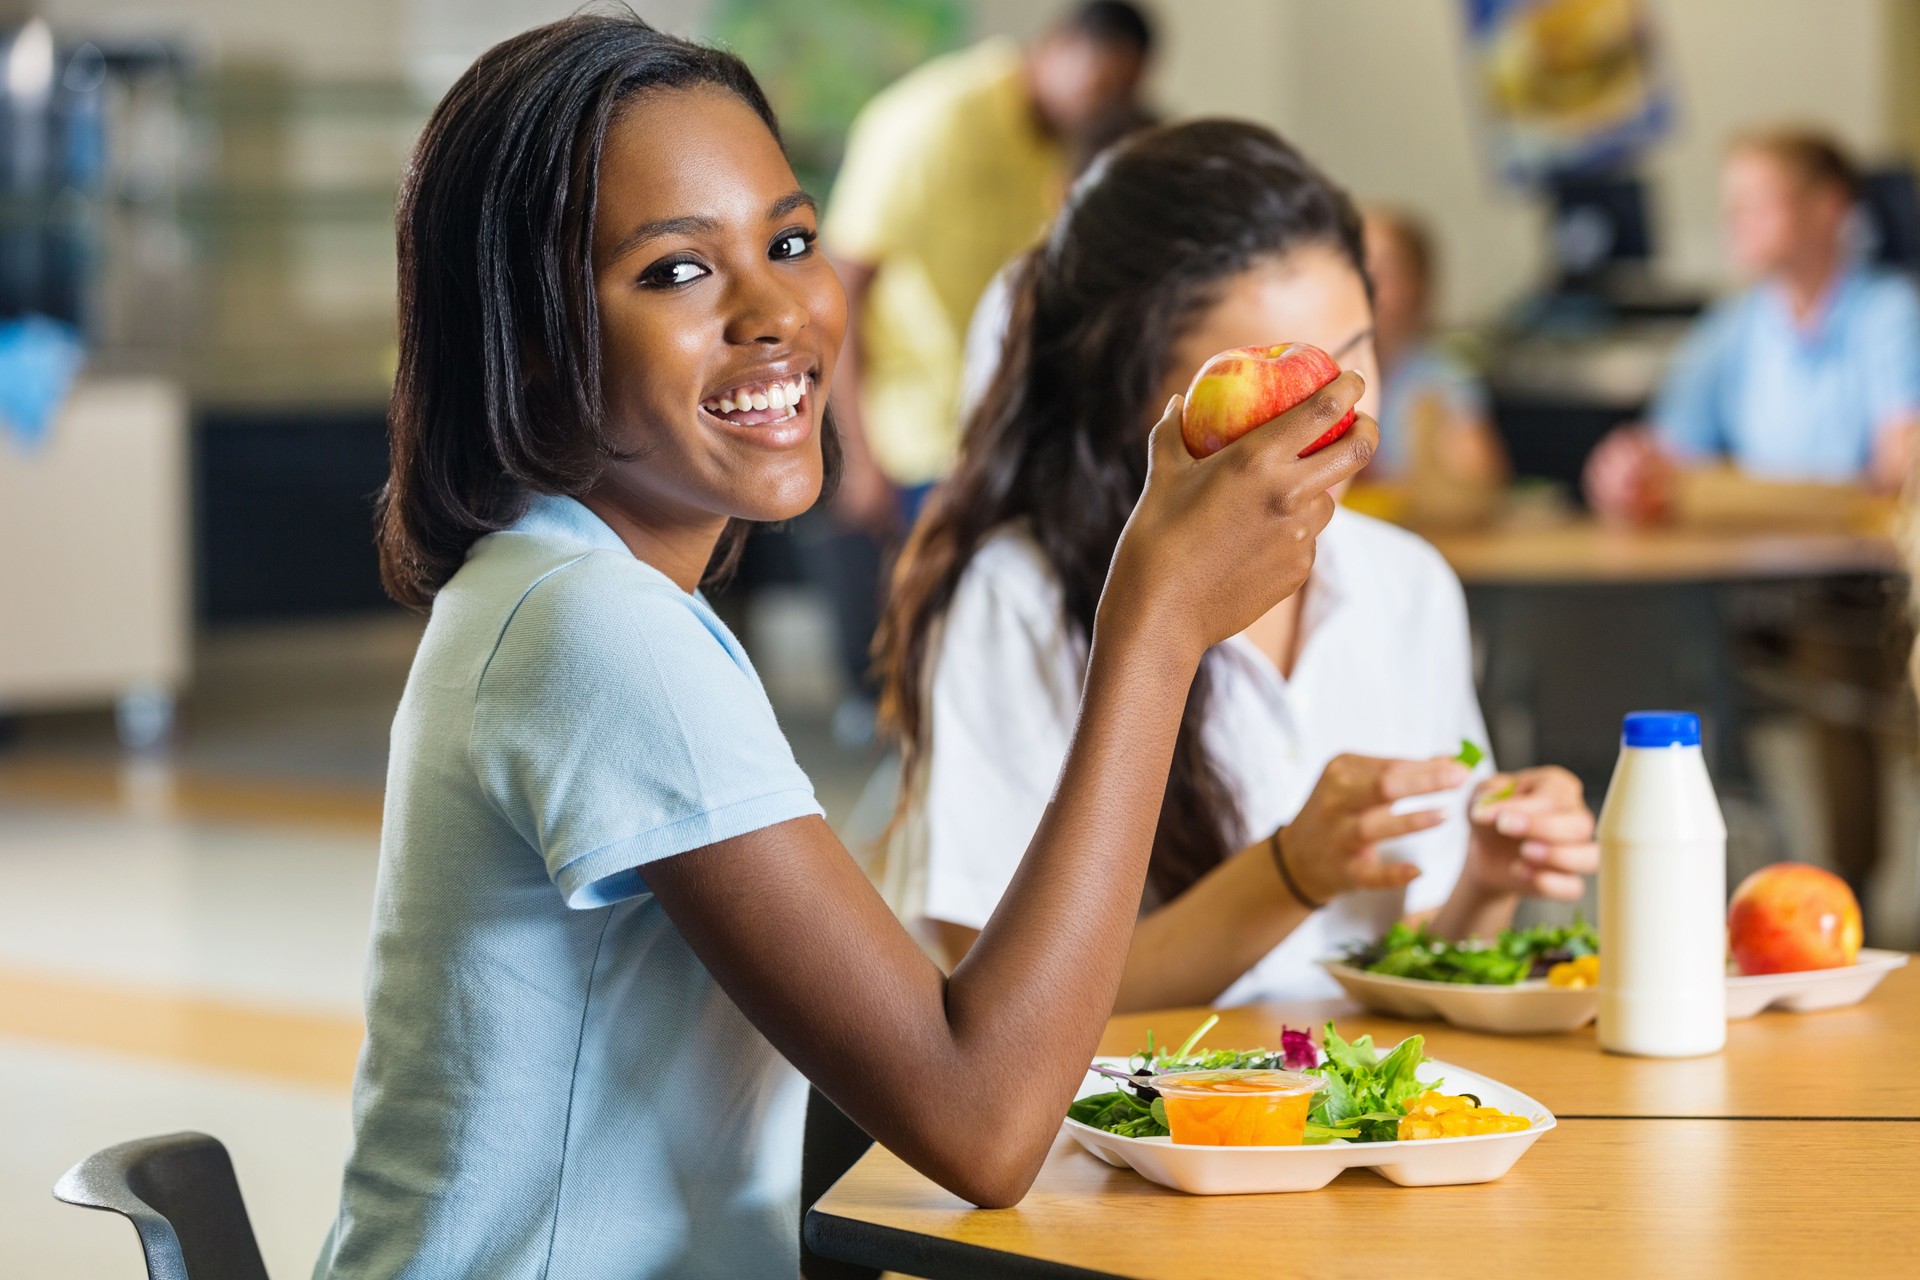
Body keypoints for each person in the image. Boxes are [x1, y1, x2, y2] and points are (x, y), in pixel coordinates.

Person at [314, 15, 1376, 1279]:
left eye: (793, 241)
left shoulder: (577, 594)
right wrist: (1155, 624)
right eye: (673, 272)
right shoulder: (593, 630)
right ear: (532, 343)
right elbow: (983, 1122)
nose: (778, 310)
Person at [875, 120, 1598, 1011]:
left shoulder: (1406, 585)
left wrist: (1486, 880)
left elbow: (1402, 979)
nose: (1330, 413)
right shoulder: (1014, 600)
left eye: (1355, 353)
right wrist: (1289, 873)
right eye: (1267, 381)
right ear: (1122, 392)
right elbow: (998, 1015)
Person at [822, 0, 1154, 531]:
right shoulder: (933, 121)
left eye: (1125, 93)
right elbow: (841, 285)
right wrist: (856, 458)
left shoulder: (1067, 145)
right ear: (1057, 48)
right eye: (1102, 86)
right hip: (910, 445)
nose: (1107, 107)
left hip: (1002, 442)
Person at [1583, 128, 1920, 522]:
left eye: (1756, 203)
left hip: (1863, 562)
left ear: (1828, 205)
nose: (1733, 221)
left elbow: (1900, 472)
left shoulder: (1891, 313)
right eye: (1730, 205)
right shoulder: (1728, 327)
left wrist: (1717, 490)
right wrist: (1630, 475)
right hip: (1759, 555)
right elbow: (1668, 459)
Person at [1363, 206, 1507, 501]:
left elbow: (1479, 483)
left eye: (1384, 271)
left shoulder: (1442, 380)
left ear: (1417, 284)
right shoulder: (1333, 377)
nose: (1367, 284)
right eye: (1356, 267)